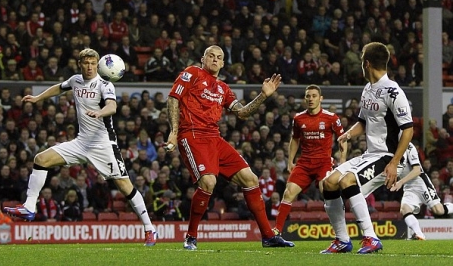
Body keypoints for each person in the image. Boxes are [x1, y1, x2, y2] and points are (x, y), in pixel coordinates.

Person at [4, 48, 157, 246]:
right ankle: (29, 207)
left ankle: (149, 228)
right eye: (86, 63)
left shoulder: (104, 84)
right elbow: (59, 87)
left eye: (93, 63)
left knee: (125, 187)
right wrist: (37, 98)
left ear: (98, 65)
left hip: (103, 145)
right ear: (80, 64)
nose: (90, 66)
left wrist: (101, 113)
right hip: (81, 142)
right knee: (40, 160)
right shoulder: (76, 80)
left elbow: (112, 106)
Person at [165, 45, 293, 250]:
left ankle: (268, 236)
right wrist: (174, 131)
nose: (215, 60)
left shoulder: (223, 88)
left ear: (224, 63)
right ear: (203, 58)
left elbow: (242, 113)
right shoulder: (192, 73)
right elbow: (173, 98)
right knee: (208, 181)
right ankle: (191, 236)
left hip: (214, 138)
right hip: (192, 134)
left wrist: (263, 96)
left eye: (219, 57)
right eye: (211, 56)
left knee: (250, 178)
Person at [320, 42, 414, 254]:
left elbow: (408, 130)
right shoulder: (368, 89)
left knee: (347, 180)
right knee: (329, 183)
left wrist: (394, 162)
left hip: (388, 156)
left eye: (362, 60)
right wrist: (347, 134)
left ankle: (371, 237)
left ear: (367, 63)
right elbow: (363, 122)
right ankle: (342, 240)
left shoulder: (393, 92)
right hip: (371, 154)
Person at [272, 85, 347, 235]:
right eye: (308, 96)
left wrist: (343, 162)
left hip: (323, 163)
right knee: (288, 193)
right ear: (305, 99)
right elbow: (295, 139)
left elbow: (343, 139)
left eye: (314, 96)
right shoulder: (299, 118)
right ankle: (277, 231)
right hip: (304, 163)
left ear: (321, 98)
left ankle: (341, 233)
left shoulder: (331, 118)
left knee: (328, 194)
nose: (311, 99)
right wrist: (290, 161)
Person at [390, 142, 453, 240]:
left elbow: (417, 170)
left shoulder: (409, 146)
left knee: (438, 210)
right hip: (408, 185)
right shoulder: (387, 148)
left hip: (420, 182)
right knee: (404, 209)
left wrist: (400, 182)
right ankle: (419, 234)